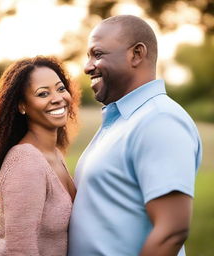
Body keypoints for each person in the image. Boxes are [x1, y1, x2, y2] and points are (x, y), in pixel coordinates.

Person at [68, 15, 202, 256]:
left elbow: (172, 230)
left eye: (97, 54)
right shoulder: (124, 119)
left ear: (137, 54)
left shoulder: (159, 120)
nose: (87, 66)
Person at [0, 56, 80, 256]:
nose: (57, 98)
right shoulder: (25, 160)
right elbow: (19, 251)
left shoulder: (54, 154)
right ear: (22, 106)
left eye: (60, 88)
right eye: (43, 93)